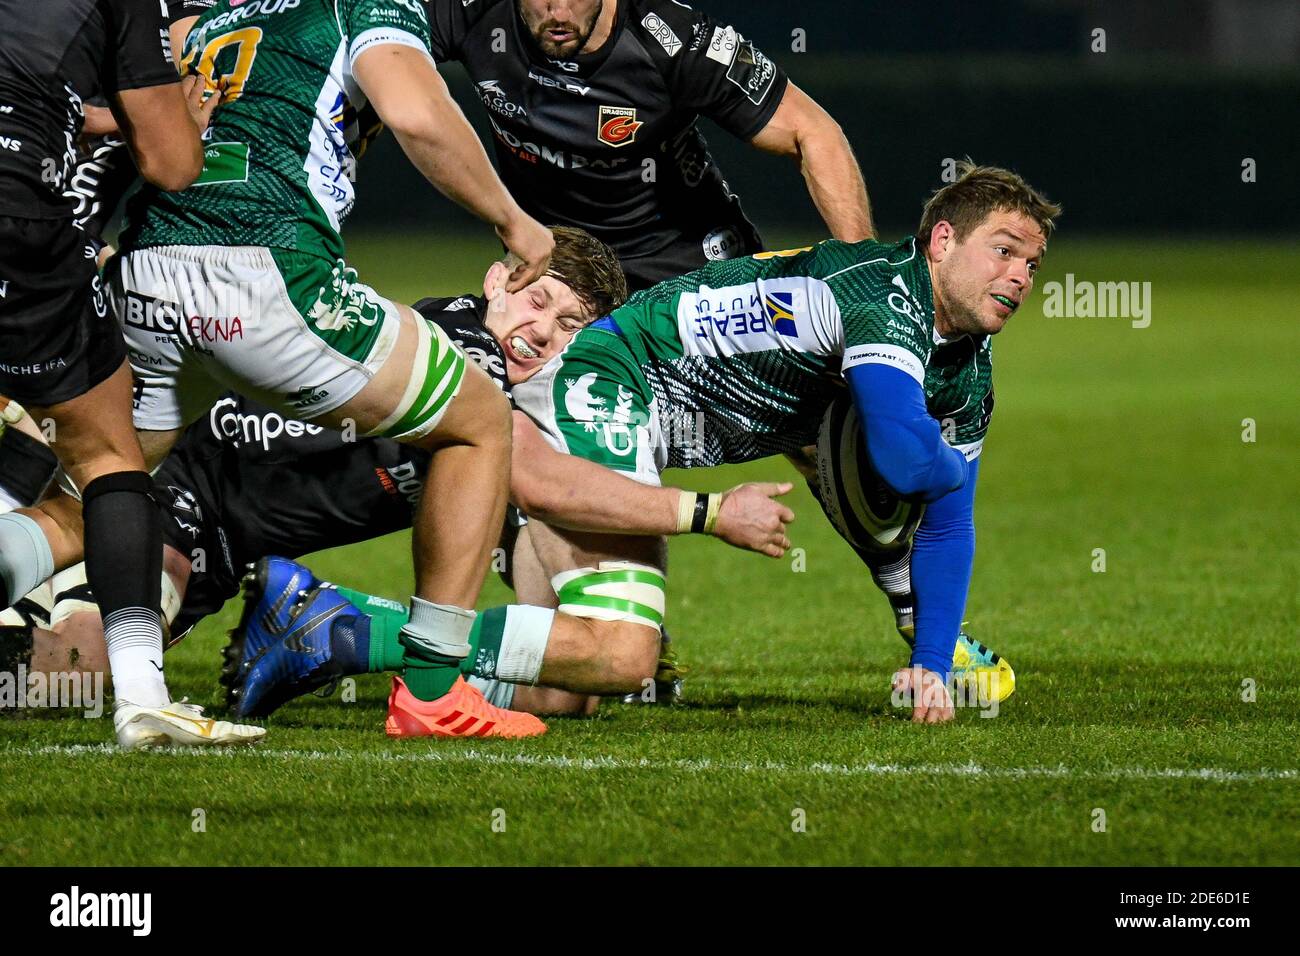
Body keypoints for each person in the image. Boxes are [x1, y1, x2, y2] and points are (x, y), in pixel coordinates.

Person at [0, 0, 262, 747]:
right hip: (20, 215)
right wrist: (178, 113)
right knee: (110, 456)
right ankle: (144, 696)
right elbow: (173, 163)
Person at [427, 0, 873, 289]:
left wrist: (862, 275)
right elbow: (377, 50)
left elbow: (813, 132)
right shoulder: (474, 11)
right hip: (561, 270)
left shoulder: (672, 38)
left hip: (686, 270)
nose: (558, 11)